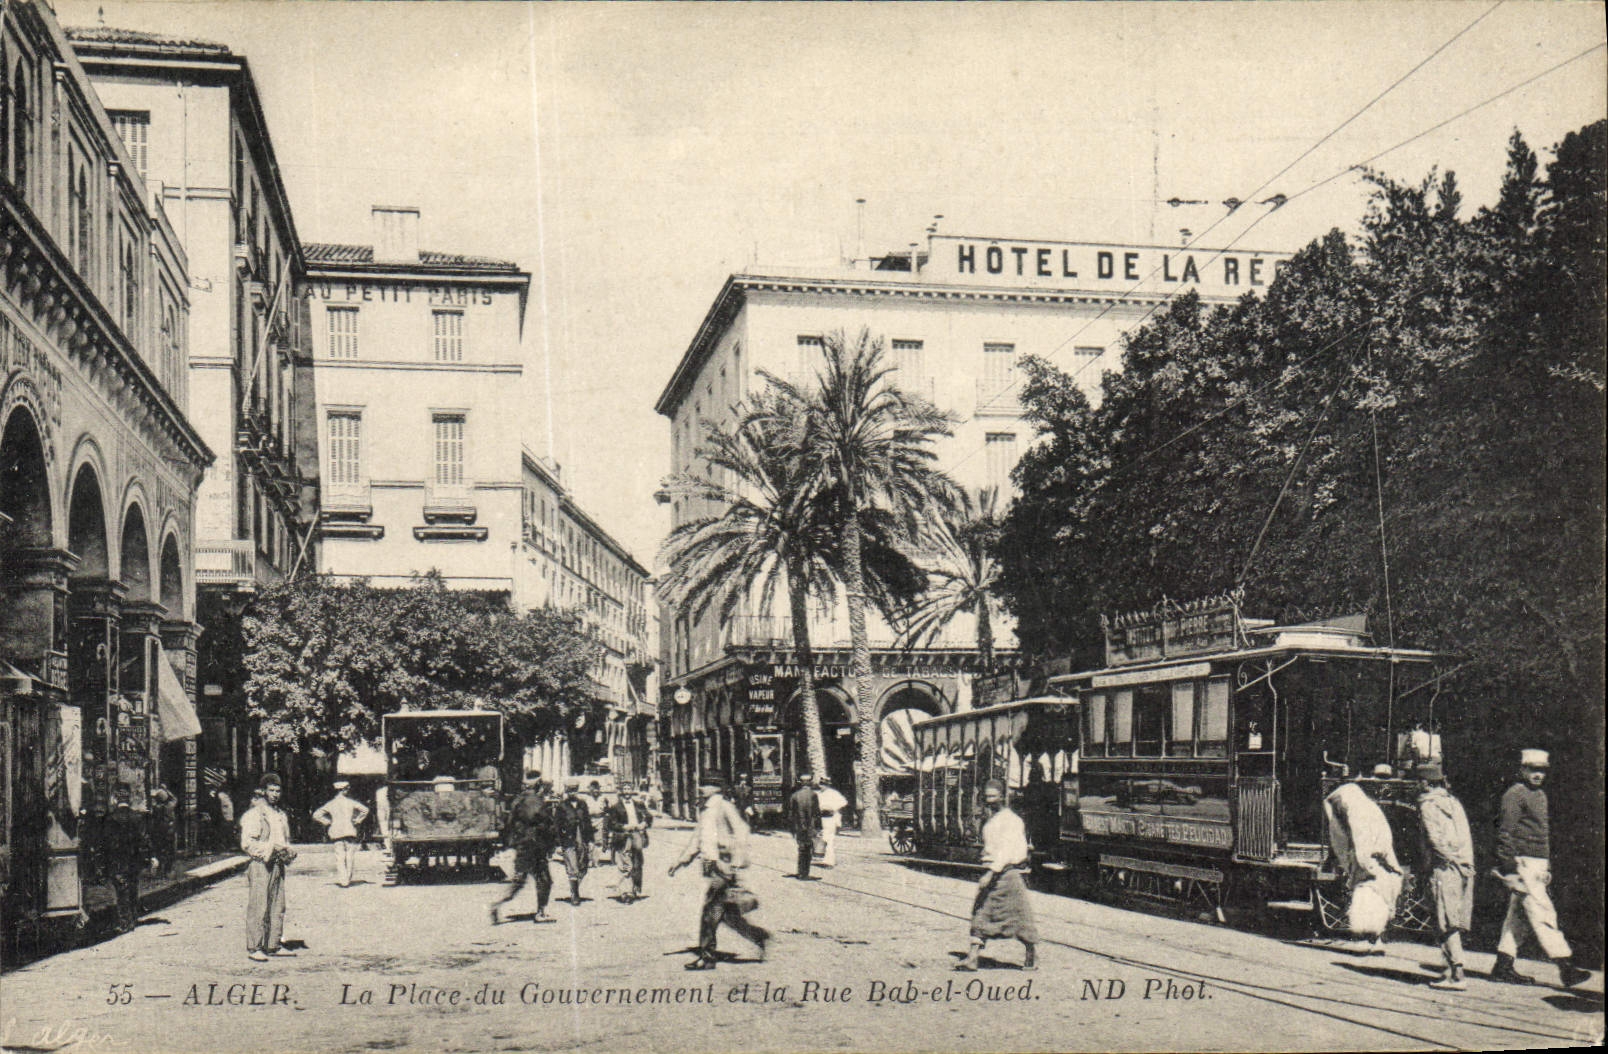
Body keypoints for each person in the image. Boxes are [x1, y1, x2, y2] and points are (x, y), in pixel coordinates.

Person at [1490, 749, 1590, 987]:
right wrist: (1510, 868)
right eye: (1532, 769)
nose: (1537, 775)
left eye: (1542, 770)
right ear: (1522, 769)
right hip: (1522, 862)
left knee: (1519, 917)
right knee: (1543, 912)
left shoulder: (1540, 795)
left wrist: (1546, 865)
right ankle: (1565, 965)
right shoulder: (1516, 794)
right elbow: (1505, 833)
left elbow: (1542, 835)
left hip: (1536, 864)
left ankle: (1503, 966)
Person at [669, 777, 768, 970]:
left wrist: (735, 863)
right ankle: (758, 936)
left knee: (709, 912)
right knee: (728, 915)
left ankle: (707, 957)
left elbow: (742, 831)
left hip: (723, 867)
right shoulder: (706, 809)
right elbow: (698, 839)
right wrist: (680, 862)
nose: (701, 788)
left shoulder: (723, 806)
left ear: (716, 788)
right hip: (713, 866)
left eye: (705, 785)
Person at [956, 779, 1038, 971]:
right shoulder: (992, 819)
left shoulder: (1011, 820)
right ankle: (973, 957)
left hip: (1007, 875)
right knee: (980, 913)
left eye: (994, 796)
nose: (990, 800)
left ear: (1003, 796)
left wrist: (991, 872)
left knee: (1021, 919)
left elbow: (1008, 851)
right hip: (993, 872)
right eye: (987, 797)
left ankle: (1031, 955)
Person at [1322, 765, 1403, 954]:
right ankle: (1378, 939)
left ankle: (1368, 939)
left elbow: (1360, 839)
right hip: (1381, 862)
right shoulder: (1368, 807)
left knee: (1367, 899)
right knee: (1381, 899)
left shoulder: (1356, 811)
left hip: (1370, 863)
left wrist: (1363, 864)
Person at [1415, 762, 1474, 990]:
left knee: (1444, 920)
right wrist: (1463, 864)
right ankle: (1449, 969)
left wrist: (1445, 860)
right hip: (1462, 867)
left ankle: (1457, 973)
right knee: (1452, 919)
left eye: (1419, 781)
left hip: (1443, 867)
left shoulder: (1428, 805)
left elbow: (1434, 839)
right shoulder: (1454, 803)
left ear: (1426, 783)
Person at [239, 773, 297, 962]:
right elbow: (247, 843)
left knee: (277, 904)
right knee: (259, 905)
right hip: (260, 864)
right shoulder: (254, 815)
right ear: (263, 792)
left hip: (278, 863)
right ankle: (254, 947)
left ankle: (273, 944)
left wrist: (288, 850)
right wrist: (269, 849)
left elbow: (285, 839)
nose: (274, 794)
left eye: (278, 791)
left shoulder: (280, 815)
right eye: (271, 790)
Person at [490, 772, 559, 924]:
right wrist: (551, 837)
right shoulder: (534, 801)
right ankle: (541, 912)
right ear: (537, 785)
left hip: (523, 845)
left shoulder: (518, 800)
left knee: (519, 879)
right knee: (544, 879)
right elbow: (543, 822)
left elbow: (509, 823)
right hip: (535, 845)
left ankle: (498, 903)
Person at [96, 786, 158, 934]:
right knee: (132, 888)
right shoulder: (137, 817)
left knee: (121, 890)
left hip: (116, 859)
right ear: (128, 800)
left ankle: (125, 922)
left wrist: (101, 862)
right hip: (133, 859)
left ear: (116, 800)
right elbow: (144, 838)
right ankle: (133, 917)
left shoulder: (110, 818)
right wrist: (150, 856)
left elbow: (104, 842)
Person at [313, 780, 370, 888]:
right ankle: (347, 878)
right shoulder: (351, 802)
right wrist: (358, 820)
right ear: (343, 790)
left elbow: (316, 815)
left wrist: (328, 822)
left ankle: (343, 880)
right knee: (349, 856)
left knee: (339, 857)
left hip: (336, 832)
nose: (348, 791)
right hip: (350, 831)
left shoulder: (331, 804)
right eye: (347, 789)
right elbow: (365, 810)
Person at [605, 784, 653, 902]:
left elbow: (648, 816)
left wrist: (644, 824)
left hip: (637, 834)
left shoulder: (638, 804)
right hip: (623, 836)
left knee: (638, 862)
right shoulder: (616, 807)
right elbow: (611, 824)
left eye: (629, 789)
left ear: (632, 791)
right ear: (621, 792)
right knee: (626, 863)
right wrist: (624, 827)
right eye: (625, 789)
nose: (627, 792)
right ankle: (626, 892)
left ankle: (636, 887)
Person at [555, 785, 595, 904]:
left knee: (583, 867)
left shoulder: (582, 804)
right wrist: (557, 844)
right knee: (573, 867)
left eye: (574, 790)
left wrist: (591, 840)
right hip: (568, 839)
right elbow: (556, 826)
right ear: (567, 791)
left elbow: (587, 822)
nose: (572, 793)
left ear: (577, 791)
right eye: (570, 791)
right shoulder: (562, 806)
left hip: (581, 838)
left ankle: (574, 887)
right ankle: (575, 895)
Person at [786, 773, 821, 880]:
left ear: (801, 783)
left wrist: (791, 829)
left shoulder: (795, 795)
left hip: (799, 827)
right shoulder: (813, 795)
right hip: (811, 826)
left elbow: (791, 814)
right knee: (808, 849)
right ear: (810, 782)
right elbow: (817, 812)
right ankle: (805, 873)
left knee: (801, 849)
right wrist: (819, 827)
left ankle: (800, 872)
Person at [815, 777, 848, 868]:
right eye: (821, 784)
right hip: (821, 818)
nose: (822, 786)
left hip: (830, 818)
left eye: (824, 784)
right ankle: (823, 857)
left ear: (828, 785)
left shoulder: (833, 793)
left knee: (830, 840)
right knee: (823, 839)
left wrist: (833, 807)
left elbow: (843, 802)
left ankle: (829, 861)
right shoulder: (818, 794)